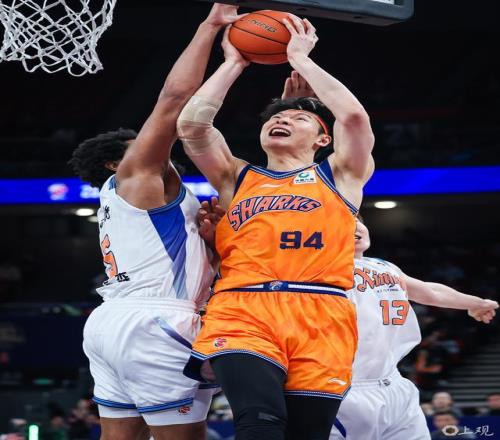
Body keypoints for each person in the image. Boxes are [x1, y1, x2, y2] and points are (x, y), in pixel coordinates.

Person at [178, 16, 375, 440]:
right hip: (243, 309)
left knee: (307, 433)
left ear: (323, 140)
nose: (281, 120)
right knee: (259, 421)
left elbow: (354, 119)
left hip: (322, 312)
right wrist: (234, 62)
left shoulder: (340, 174)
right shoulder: (236, 177)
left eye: (299, 118)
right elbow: (192, 127)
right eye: (275, 117)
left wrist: (301, 60)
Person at [68, 4, 243, 439]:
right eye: (138, 143)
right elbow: (173, 100)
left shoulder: (130, 199)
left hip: (113, 320)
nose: (151, 143)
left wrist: (209, 241)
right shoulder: (136, 176)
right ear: (114, 164)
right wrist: (210, 26)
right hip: (156, 321)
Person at [329, 217, 498, 440]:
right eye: (344, 222)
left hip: (393, 383)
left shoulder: (384, 266)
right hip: (345, 386)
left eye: (357, 221)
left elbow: (430, 292)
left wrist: (475, 303)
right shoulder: (319, 269)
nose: (355, 228)